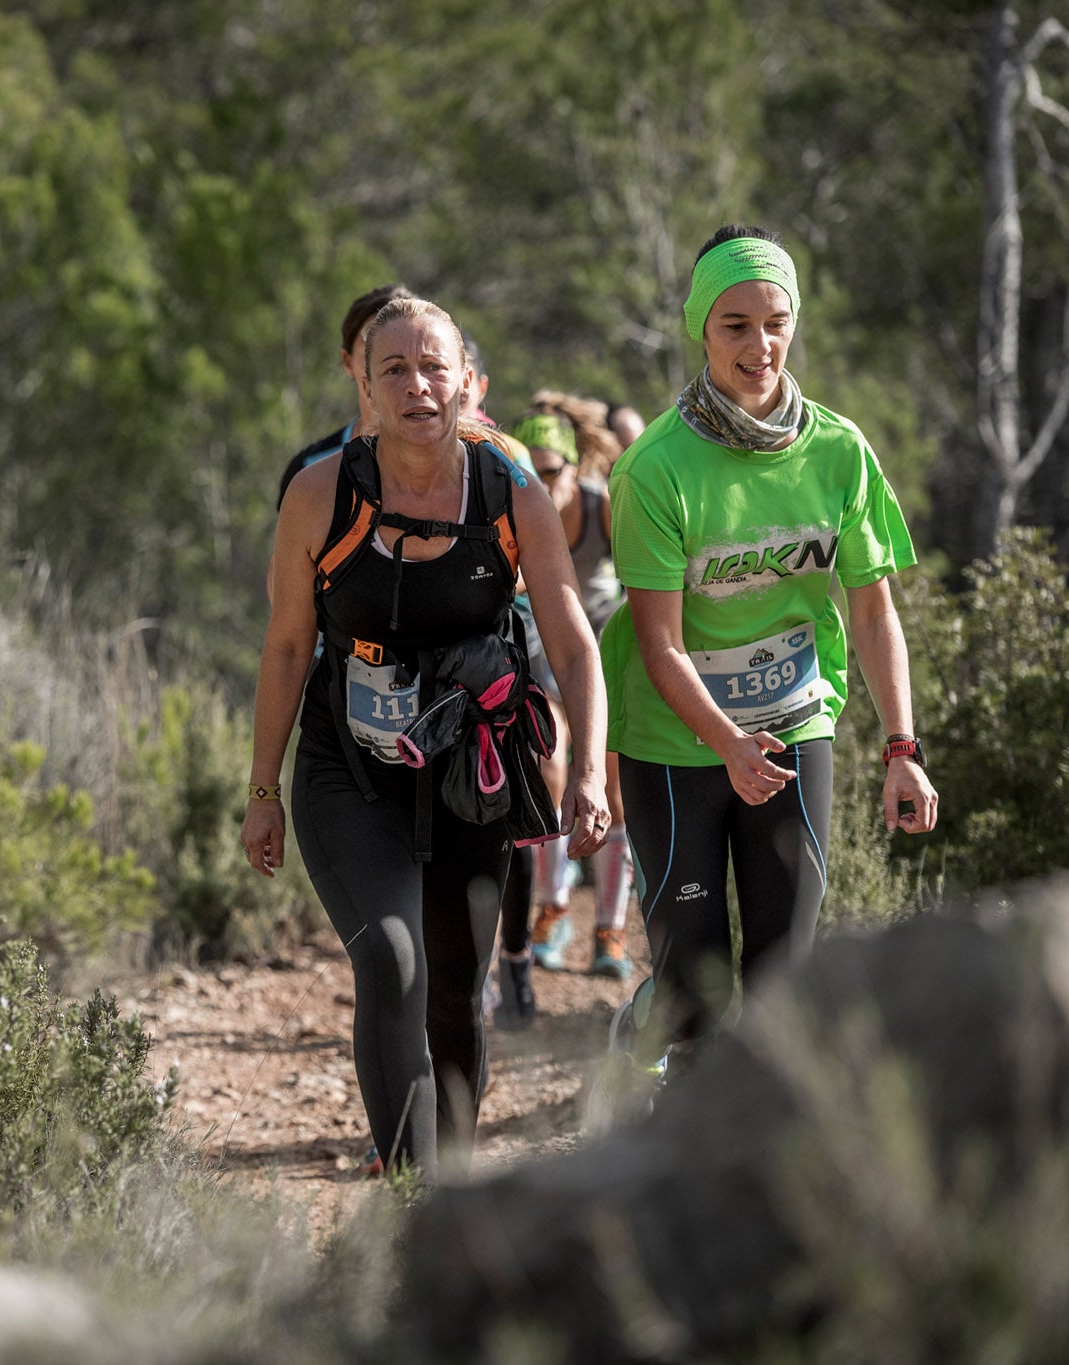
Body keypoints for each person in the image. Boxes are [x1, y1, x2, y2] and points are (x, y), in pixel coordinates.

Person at [242, 297, 609, 1183]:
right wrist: (261, 790)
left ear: (466, 382)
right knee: (391, 958)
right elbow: (290, 643)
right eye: (394, 368)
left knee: (454, 988)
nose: (417, 384)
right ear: (363, 386)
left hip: (468, 770)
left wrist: (589, 770)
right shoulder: (320, 492)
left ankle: (454, 1191)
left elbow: (570, 637)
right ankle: (412, 1191)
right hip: (347, 766)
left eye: (434, 366)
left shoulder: (511, 488)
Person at [601, 224, 938, 1084]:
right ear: (701, 331)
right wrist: (726, 744)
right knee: (695, 994)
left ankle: (733, 1176)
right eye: (736, 325)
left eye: (776, 321)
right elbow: (659, 643)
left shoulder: (837, 450)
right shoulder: (655, 470)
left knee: (786, 979)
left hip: (792, 721)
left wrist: (903, 749)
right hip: (676, 741)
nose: (761, 346)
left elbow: (871, 612)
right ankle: (645, 1026)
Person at [504, 410, 637, 981]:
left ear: (572, 466)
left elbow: (645, 574)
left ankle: (610, 929)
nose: (543, 483)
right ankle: (553, 909)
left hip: (605, 643)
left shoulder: (598, 502)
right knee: (548, 763)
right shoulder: (511, 507)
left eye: (552, 471)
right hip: (544, 643)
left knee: (613, 783)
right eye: (529, 472)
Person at [277, 284, 417, 507]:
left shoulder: (474, 465)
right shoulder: (308, 470)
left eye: (405, 348)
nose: (389, 362)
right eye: (372, 345)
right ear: (347, 361)